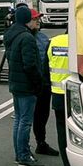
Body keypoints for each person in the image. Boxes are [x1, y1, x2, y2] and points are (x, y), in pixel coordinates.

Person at [3, 6, 44, 166]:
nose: (37, 22)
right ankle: (23, 155)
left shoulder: (11, 35)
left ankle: (19, 153)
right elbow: (30, 64)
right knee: (25, 121)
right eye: (35, 19)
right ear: (27, 20)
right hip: (26, 85)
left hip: (16, 82)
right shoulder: (27, 37)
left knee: (19, 120)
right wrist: (38, 82)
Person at [30, 9, 59, 156]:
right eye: (35, 19)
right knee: (28, 117)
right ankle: (25, 148)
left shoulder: (42, 37)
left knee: (43, 114)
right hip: (33, 84)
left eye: (38, 19)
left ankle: (41, 142)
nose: (38, 21)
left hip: (45, 83)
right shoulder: (24, 38)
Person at [47, 33, 74, 166]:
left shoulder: (54, 41)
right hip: (76, 95)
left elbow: (47, 63)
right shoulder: (82, 40)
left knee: (62, 130)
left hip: (57, 93)